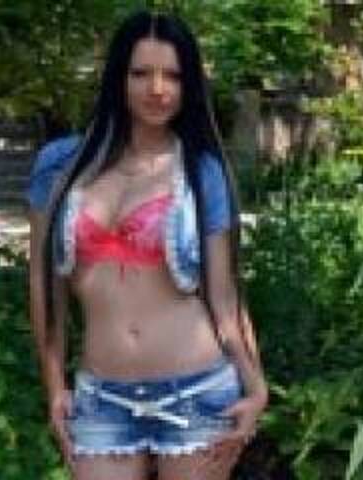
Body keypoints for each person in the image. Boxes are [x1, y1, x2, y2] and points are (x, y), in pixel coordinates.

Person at [26, 10, 268, 480]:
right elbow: (42, 285)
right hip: (102, 398)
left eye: (173, 76)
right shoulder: (59, 167)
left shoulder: (201, 172)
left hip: (198, 393)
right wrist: (54, 385)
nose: (158, 89)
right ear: (118, 77)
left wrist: (256, 388)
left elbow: (224, 299)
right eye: (141, 73)